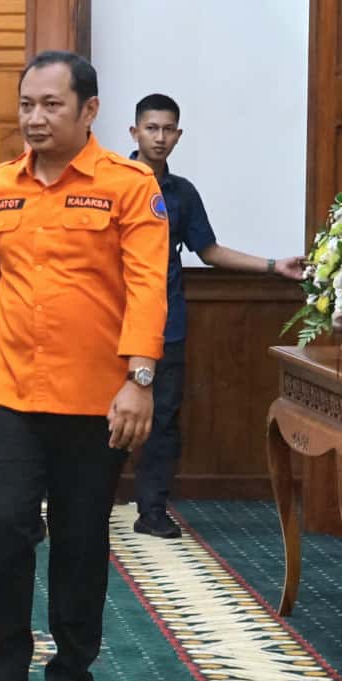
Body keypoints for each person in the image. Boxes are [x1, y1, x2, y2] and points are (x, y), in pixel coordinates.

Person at [0, 50, 168, 681]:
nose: (36, 118)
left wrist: (139, 379)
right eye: (27, 104)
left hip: (95, 399)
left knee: (80, 543)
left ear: (89, 110)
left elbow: (148, 285)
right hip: (12, 392)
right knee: (6, 529)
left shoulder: (129, 186)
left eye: (51, 104)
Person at [128, 93, 306, 539]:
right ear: (135, 132)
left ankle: (152, 512)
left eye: (168, 129)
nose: (160, 137)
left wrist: (273, 266)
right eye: (151, 128)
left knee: (163, 420)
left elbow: (209, 251)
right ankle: (84, 508)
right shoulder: (111, 182)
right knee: (96, 419)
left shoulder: (183, 193)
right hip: (113, 322)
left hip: (167, 324)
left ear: (179, 135)